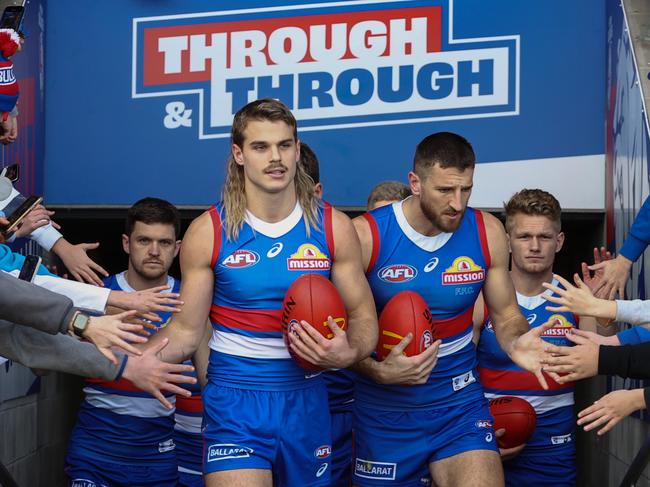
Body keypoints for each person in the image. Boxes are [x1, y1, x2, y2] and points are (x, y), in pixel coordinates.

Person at [140, 98, 377, 487]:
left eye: (285, 145)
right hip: (235, 399)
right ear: (238, 154)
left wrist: (349, 351)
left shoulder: (333, 227)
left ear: (297, 150)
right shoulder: (209, 231)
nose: (275, 158)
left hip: (306, 397)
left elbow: (365, 318)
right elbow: (185, 331)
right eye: (260, 147)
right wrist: (123, 359)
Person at [352, 132, 551, 487]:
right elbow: (340, 334)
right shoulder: (366, 237)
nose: (457, 203)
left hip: (458, 403)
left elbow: (506, 315)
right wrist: (376, 370)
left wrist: (518, 340)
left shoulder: (485, 231)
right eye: (445, 190)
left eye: (466, 190)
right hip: (385, 412)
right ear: (415, 182)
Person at [473, 189, 610, 486]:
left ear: (559, 241)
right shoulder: (482, 296)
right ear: (507, 241)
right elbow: (456, 370)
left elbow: (600, 356)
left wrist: (602, 311)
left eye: (545, 237)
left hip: (553, 446)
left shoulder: (574, 298)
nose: (534, 246)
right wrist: (475, 430)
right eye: (524, 237)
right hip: (488, 437)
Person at [66, 197, 187, 487]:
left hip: (157, 455)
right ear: (126, 243)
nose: (154, 251)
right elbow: (42, 369)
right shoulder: (95, 294)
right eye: (144, 240)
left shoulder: (189, 301)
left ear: (178, 248)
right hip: (94, 450)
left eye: (165, 243)